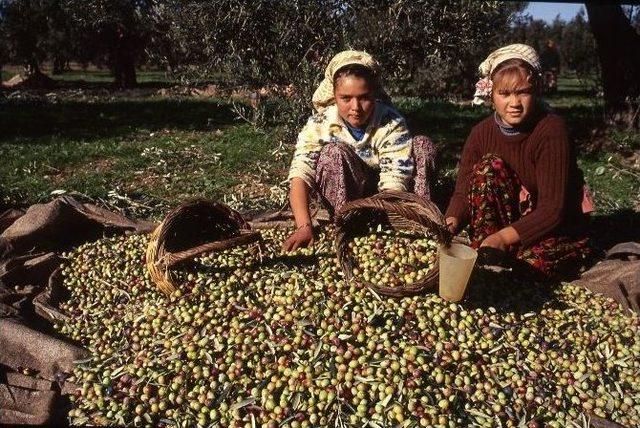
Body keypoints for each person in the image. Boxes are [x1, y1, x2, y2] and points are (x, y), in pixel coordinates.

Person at [446, 44, 593, 277]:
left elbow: (553, 210)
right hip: (502, 229)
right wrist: (450, 223)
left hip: (553, 227)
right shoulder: (480, 133)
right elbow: (463, 193)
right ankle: (487, 248)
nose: (514, 103)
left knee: (527, 267)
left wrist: (504, 238)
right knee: (487, 167)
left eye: (523, 92)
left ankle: (497, 249)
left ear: (536, 91)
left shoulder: (551, 131)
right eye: (504, 94)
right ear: (491, 95)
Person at [283, 50, 437, 251]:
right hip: (349, 194)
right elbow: (300, 174)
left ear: (374, 94)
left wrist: (385, 217)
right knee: (332, 153)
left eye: (364, 98)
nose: (356, 107)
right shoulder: (321, 124)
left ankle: (416, 222)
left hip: (388, 199)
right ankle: (346, 224)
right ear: (334, 97)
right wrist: (304, 226)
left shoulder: (390, 122)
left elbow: (395, 179)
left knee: (422, 145)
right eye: (346, 98)